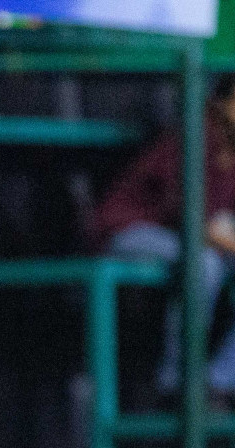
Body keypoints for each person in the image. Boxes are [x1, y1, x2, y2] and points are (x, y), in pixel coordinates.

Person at [94, 75, 235, 400]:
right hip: (130, 231)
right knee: (205, 265)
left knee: (210, 261)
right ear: (222, 101)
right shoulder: (196, 136)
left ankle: (220, 381)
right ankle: (178, 382)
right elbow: (193, 221)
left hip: (190, 240)